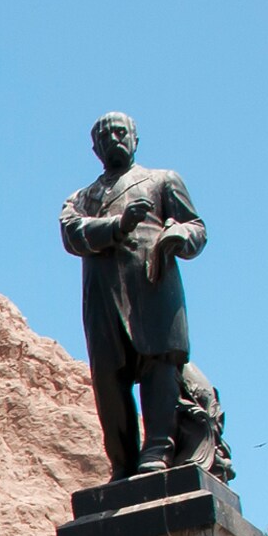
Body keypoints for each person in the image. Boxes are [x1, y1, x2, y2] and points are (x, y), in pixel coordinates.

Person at [58, 112, 208, 480]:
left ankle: (158, 448)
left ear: (136, 138)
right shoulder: (81, 197)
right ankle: (122, 462)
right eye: (104, 136)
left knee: (159, 365)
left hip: (152, 287)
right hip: (103, 298)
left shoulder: (162, 181)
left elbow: (197, 227)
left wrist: (179, 237)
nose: (113, 139)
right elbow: (71, 234)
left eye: (120, 132)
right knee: (109, 378)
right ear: (95, 148)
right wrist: (120, 224)